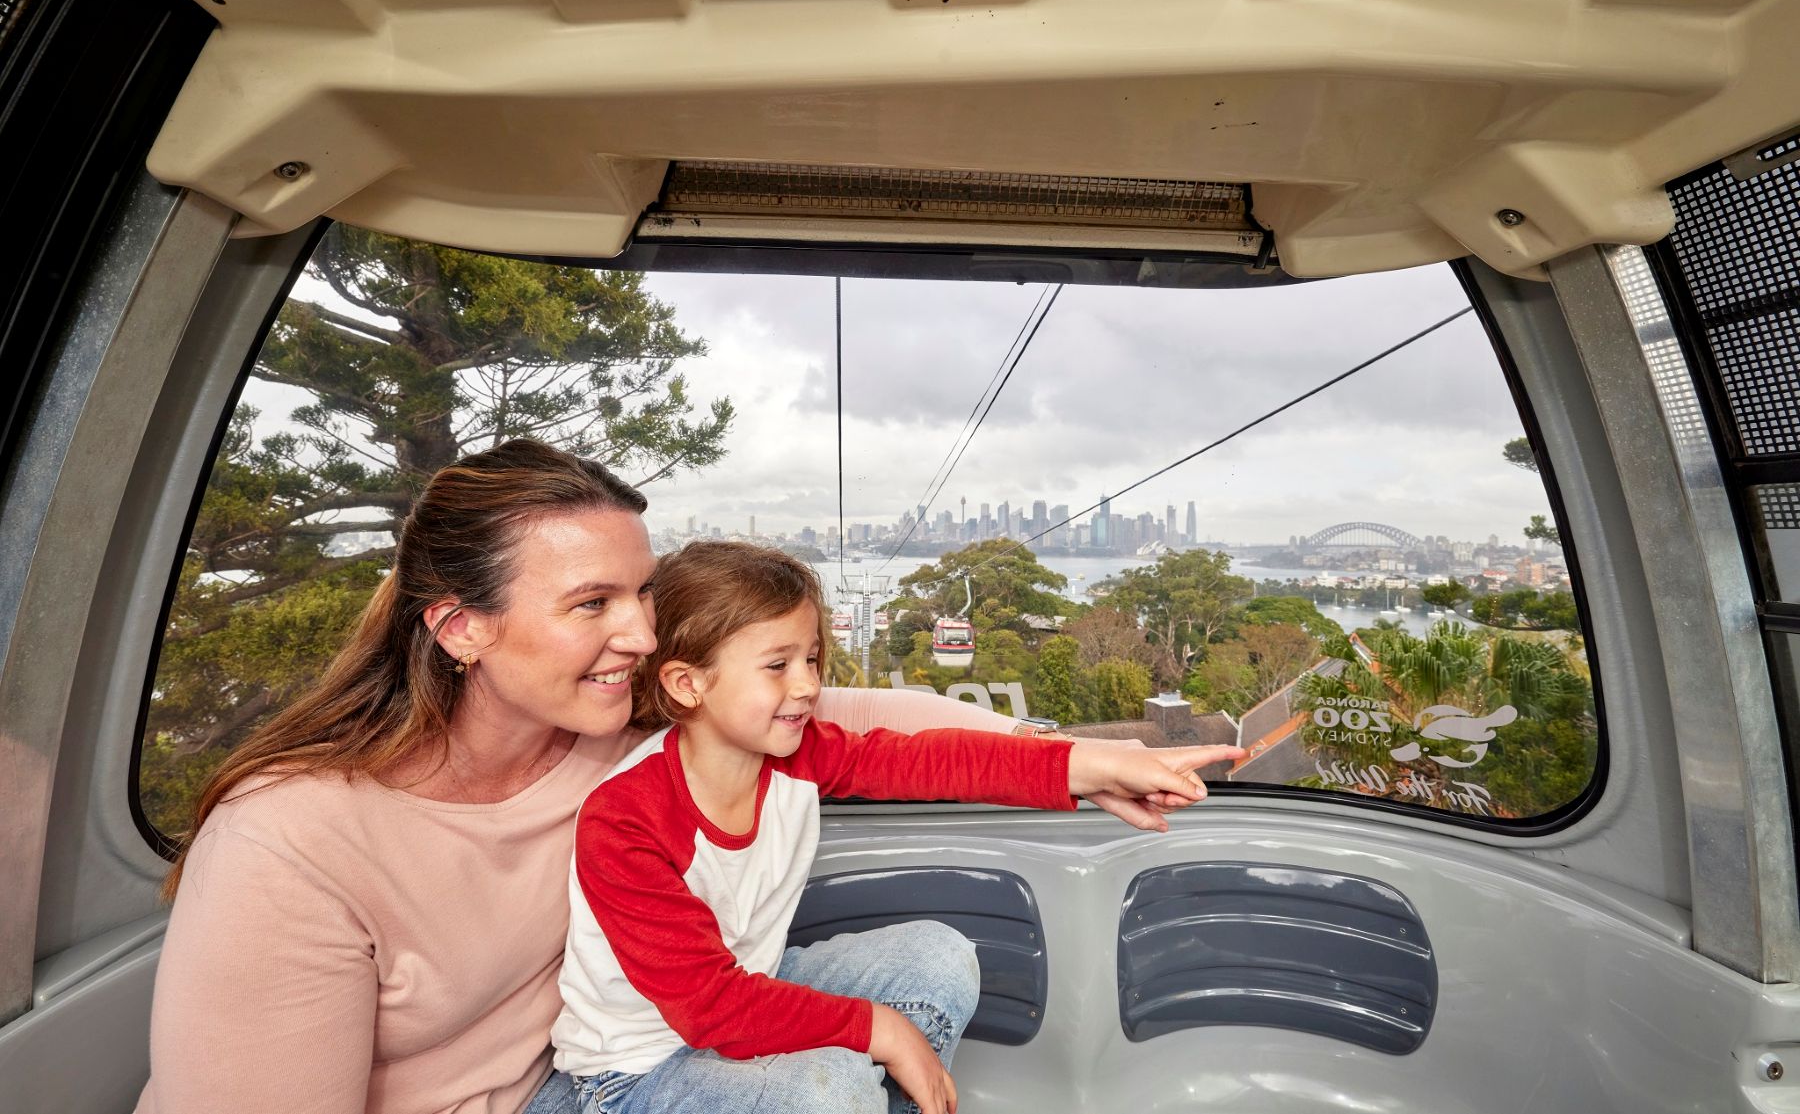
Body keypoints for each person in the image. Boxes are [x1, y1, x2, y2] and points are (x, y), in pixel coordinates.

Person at [135, 439, 1242, 1114]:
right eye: (590, 605)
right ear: (460, 627)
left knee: (928, 963)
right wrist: (862, 1035)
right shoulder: (290, 848)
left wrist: (1090, 761)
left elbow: (872, 729)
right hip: (604, 1078)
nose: (635, 634)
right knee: (821, 1074)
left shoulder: (617, 732)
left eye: (642, 596)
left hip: (603, 1070)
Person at [550, 543, 1237, 1114]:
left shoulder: (793, 754)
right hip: (636, 1072)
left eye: (813, 658)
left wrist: (1100, 766)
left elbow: (933, 759)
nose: (807, 685)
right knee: (835, 1089)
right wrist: (883, 1029)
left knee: (940, 956)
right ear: (687, 683)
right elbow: (710, 1006)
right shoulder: (626, 818)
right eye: (777, 664)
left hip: (746, 988)